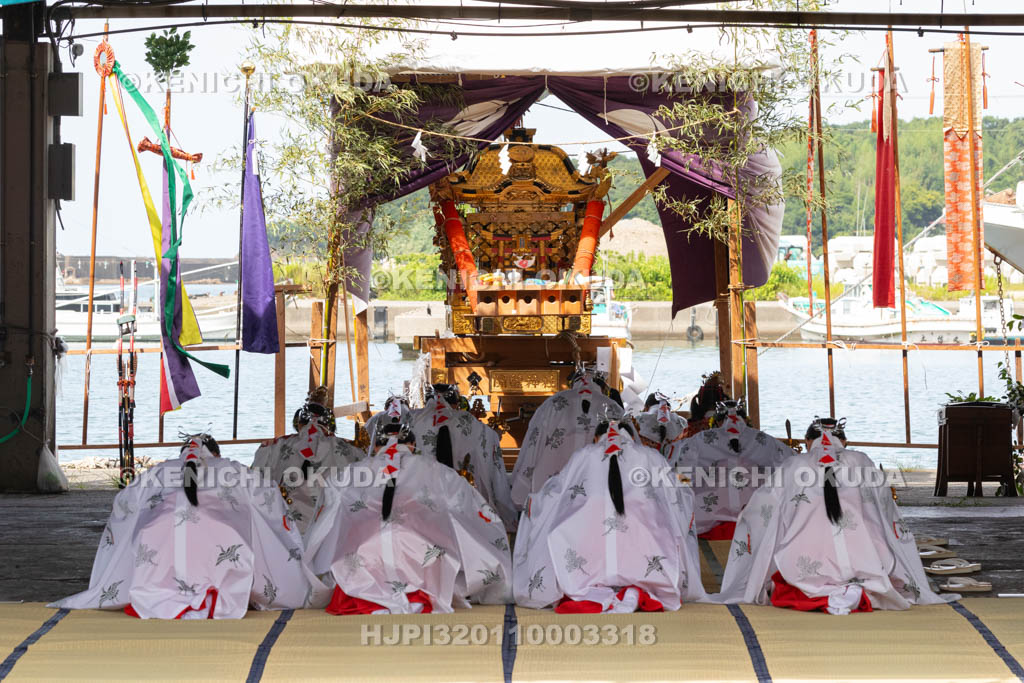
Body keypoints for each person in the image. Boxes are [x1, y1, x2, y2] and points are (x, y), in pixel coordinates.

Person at [52, 435, 321, 618]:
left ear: (181, 453)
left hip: (157, 539)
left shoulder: (159, 471)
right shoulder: (232, 469)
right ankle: (217, 593)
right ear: (215, 453)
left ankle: (161, 593)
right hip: (221, 541)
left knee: (150, 535)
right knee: (245, 534)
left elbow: (123, 506)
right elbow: (270, 502)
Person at [715, 418, 953, 614]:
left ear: (808, 441)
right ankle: (855, 588)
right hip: (866, 560)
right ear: (845, 442)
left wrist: (746, 514)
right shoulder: (861, 461)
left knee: (782, 538)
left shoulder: (795, 464)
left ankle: (830, 590)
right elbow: (885, 510)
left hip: (805, 563)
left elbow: (765, 508)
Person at [304, 423, 513, 615]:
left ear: (376, 447)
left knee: (354, 548)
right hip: (421, 552)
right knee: (441, 545)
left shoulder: (351, 472)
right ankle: (420, 591)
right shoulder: (437, 471)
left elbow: (328, 513)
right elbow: (467, 508)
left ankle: (371, 592)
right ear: (412, 445)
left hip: (366, 553)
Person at [514, 419, 705, 612]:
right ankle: (638, 588)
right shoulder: (649, 455)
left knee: (565, 527)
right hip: (644, 537)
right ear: (632, 437)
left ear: (596, 438)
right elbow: (675, 494)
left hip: (590, 537)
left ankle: (595, 589)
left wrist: (534, 501)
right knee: (658, 522)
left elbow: (556, 492)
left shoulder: (584, 455)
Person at [668, 399, 791, 539]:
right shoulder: (765, 441)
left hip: (708, 521)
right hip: (758, 518)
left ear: (718, 421)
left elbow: (681, 472)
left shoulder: (700, 440)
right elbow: (790, 465)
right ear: (744, 419)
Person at [252, 387, 363, 535]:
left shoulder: (274, 447)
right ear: (330, 425)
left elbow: (254, 483)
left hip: (286, 529)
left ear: (299, 423)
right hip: (330, 529)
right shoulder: (349, 449)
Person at [407, 383, 517, 531]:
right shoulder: (467, 420)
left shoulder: (413, 420)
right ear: (456, 403)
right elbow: (489, 442)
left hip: (422, 501)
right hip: (464, 500)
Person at [511, 369, 624, 509]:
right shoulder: (614, 408)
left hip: (552, 491)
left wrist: (521, 492)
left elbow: (533, 446)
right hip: (599, 490)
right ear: (602, 386)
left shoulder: (553, 403)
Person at [635, 392, 687, 457]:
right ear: (669, 408)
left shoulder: (637, 420)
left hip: (643, 465)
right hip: (674, 466)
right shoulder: (682, 423)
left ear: (646, 407)